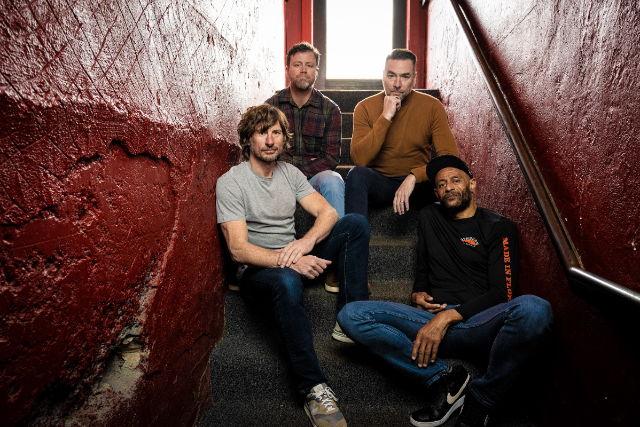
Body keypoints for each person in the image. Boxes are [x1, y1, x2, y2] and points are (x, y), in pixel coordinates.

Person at [338, 155, 553, 427]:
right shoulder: (429, 216)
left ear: (472, 184)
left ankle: (482, 398)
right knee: (351, 314)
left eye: (455, 180)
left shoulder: (499, 226)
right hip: (429, 319)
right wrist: (418, 293)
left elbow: (502, 294)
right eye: (441, 184)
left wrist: (448, 317)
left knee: (535, 309)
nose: (448, 187)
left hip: (477, 324)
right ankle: (445, 380)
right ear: (436, 192)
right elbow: (424, 268)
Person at [216, 104, 370, 427]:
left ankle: (351, 318)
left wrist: (305, 244)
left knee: (354, 224)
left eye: (276, 133)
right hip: (259, 271)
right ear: (248, 139)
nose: (270, 140)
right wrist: (291, 262)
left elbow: (328, 213)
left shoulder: (290, 173)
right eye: (262, 133)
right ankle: (312, 388)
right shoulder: (231, 182)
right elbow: (238, 250)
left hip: (295, 257)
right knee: (287, 280)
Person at [345, 49, 459, 217]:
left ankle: (453, 229)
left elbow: (449, 158)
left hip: (419, 187)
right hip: (381, 185)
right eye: (391, 76)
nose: (397, 84)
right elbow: (360, 160)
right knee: (356, 175)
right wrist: (386, 116)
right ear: (383, 76)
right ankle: (355, 233)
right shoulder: (364, 108)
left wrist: (414, 176)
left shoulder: (432, 106)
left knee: (453, 176)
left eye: (405, 77)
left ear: (414, 78)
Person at [266, 42, 344, 218]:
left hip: (313, 178)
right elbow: (267, 151)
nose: (303, 70)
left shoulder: (330, 109)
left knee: (333, 180)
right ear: (287, 70)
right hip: (279, 177)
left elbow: (330, 158)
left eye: (309, 65)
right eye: (297, 65)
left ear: (316, 71)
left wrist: (296, 171)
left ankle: (339, 234)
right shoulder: (271, 107)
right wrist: (289, 171)